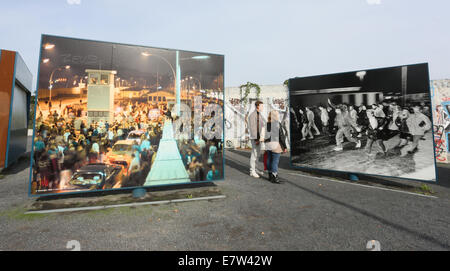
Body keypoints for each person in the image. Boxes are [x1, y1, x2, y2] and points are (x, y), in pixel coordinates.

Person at [264, 110, 287, 184]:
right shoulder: (277, 124)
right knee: (275, 161)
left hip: (268, 144)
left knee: (269, 159)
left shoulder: (267, 124)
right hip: (275, 144)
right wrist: (285, 146)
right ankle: (275, 177)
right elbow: (281, 136)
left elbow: (265, 135)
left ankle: (270, 175)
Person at [247, 101, 265, 178]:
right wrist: (256, 139)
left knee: (258, 154)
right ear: (257, 106)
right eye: (261, 106)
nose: (262, 107)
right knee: (254, 154)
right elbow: (253, 129)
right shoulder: (252, 115)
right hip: (255, 138)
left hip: (259, 137)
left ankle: (256, 169)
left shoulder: (259, 114)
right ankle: (252, 171)